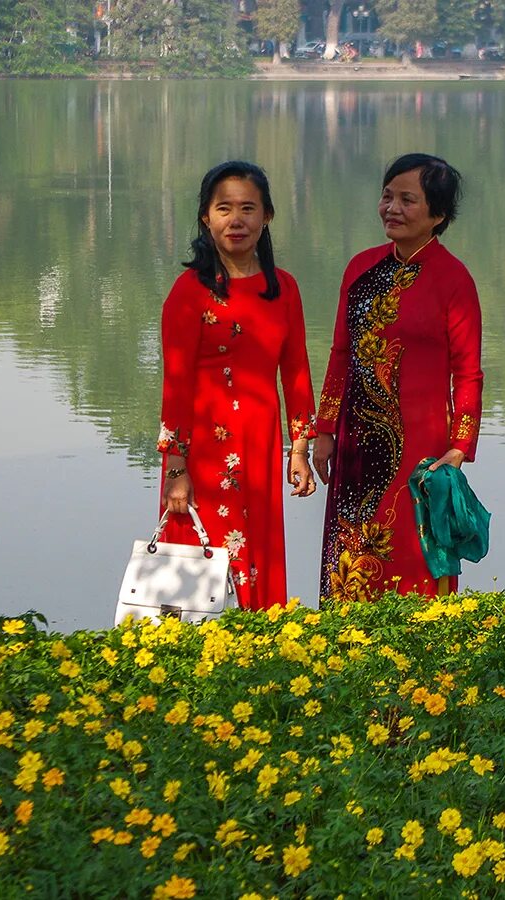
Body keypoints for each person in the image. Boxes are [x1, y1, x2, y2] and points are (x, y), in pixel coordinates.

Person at [312, 153, 483, 603]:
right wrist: (325, 430)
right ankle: (344, 648)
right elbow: (341, 354)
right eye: (387, 196)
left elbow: (467, 373)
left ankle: (417, 653)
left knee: (413, 546)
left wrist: (460, 447)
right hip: (354, 441)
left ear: (438, 214)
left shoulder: (454, 280)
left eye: (408, 200)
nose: (392, 208)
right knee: (349, 551)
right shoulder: (360, 268)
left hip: (421, 446)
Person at [158, 161, 317, 610]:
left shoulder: (283, 288)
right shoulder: (189, 293)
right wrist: (175, 468)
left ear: (267, 216)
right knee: (200, 567)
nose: (236, 220)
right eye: (223, 208)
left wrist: (299, 450)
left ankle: (260, 656)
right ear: (206, 217)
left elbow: (297, 373)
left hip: (261, 447)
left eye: (248, 208)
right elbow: (175, 383)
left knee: (260, 557)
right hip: (203, 452)